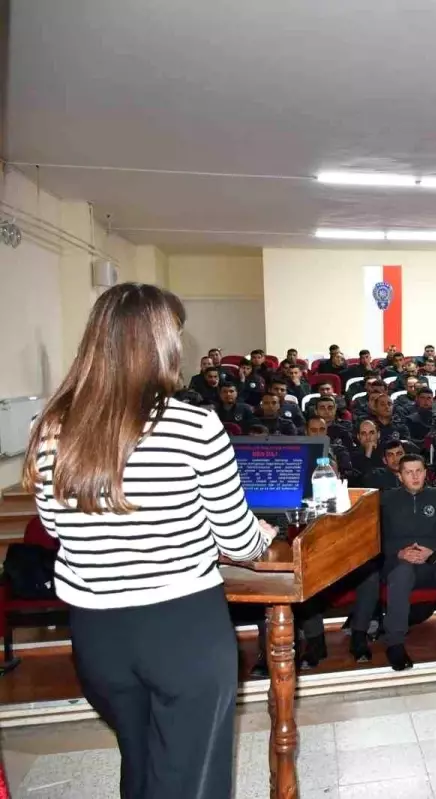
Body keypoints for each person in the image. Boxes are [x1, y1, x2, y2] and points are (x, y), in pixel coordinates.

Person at [24, 283, 273, 798]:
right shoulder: (193, 424)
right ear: (161, 344)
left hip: (97, 633)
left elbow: (53, 526)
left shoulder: (50, 426)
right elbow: (237, 538)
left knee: (139, 764)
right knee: (191, 777)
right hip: (180, 625)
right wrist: (259, 533)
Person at [375, 454, 436, 670]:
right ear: (399, 476)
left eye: (419, 471)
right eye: (409, 472)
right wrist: (399, 553)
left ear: (426, 473)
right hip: (400, 559)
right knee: (401, 575)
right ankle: (395, 644)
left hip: (433, 556)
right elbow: (378, 537)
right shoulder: (387, 500)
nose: (415, 476)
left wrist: (432, 550)